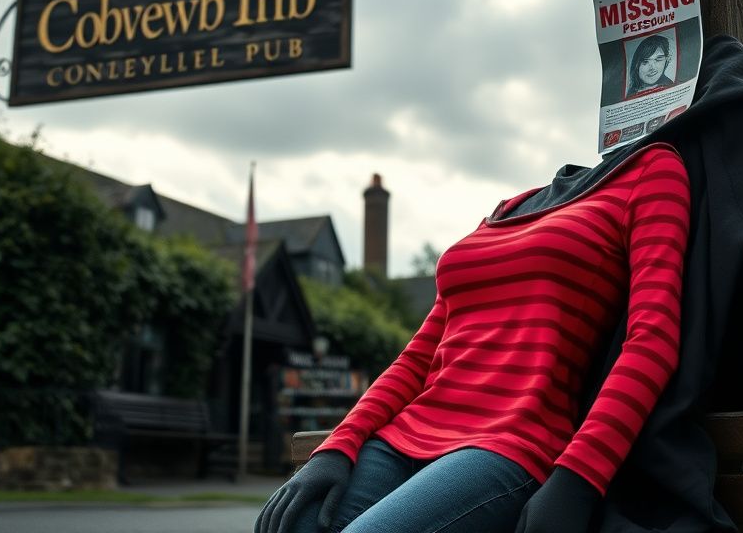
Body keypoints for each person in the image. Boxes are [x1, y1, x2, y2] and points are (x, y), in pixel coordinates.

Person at [255, 143, 691, 533]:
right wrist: (338, 446)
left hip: (508, 443)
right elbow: (416, 359)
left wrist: (580, 478)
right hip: (400, 437)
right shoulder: (508, 208)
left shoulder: (651, 169)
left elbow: (652, 338)